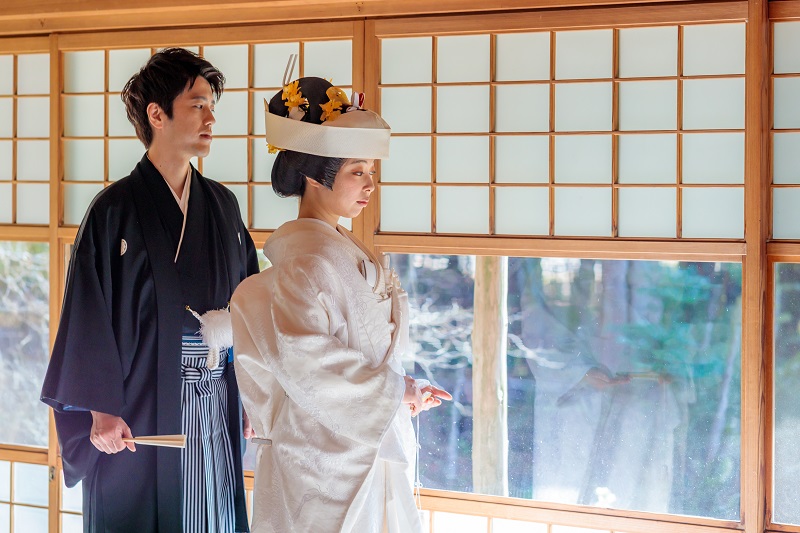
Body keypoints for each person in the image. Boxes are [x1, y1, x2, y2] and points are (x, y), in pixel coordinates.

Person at [41, 48, 259, 533]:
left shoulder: (222, 205)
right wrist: (100, 409)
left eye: (211, 106)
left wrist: (249, 395)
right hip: (140, 403)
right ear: (157, 115)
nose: (210, 118)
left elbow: (248, 306)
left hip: (214, 396)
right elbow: (87, 316)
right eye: (197, 105)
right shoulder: (113, 210)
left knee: (213, 512)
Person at [230, 75, 451, 532]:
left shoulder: (338, 249)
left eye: (372, 171)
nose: (370, 184)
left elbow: (363, 350)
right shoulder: (309, 260)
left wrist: (402, 390)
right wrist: (393, 392)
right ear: (315, 176)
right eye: (357, 172)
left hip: (360, 441)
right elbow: (307, 358)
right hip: (322, 459)